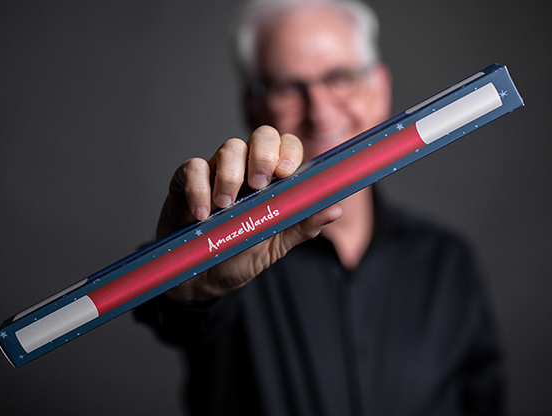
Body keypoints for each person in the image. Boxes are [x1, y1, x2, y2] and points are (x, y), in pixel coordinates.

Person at [135, 1, 503, 415]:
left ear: (379, 90)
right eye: (287, 87)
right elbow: (174, 315)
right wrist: (190, 277)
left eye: (340, 78)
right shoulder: (226, 256)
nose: (320, 112)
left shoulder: (447, 262)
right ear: (251, 108)